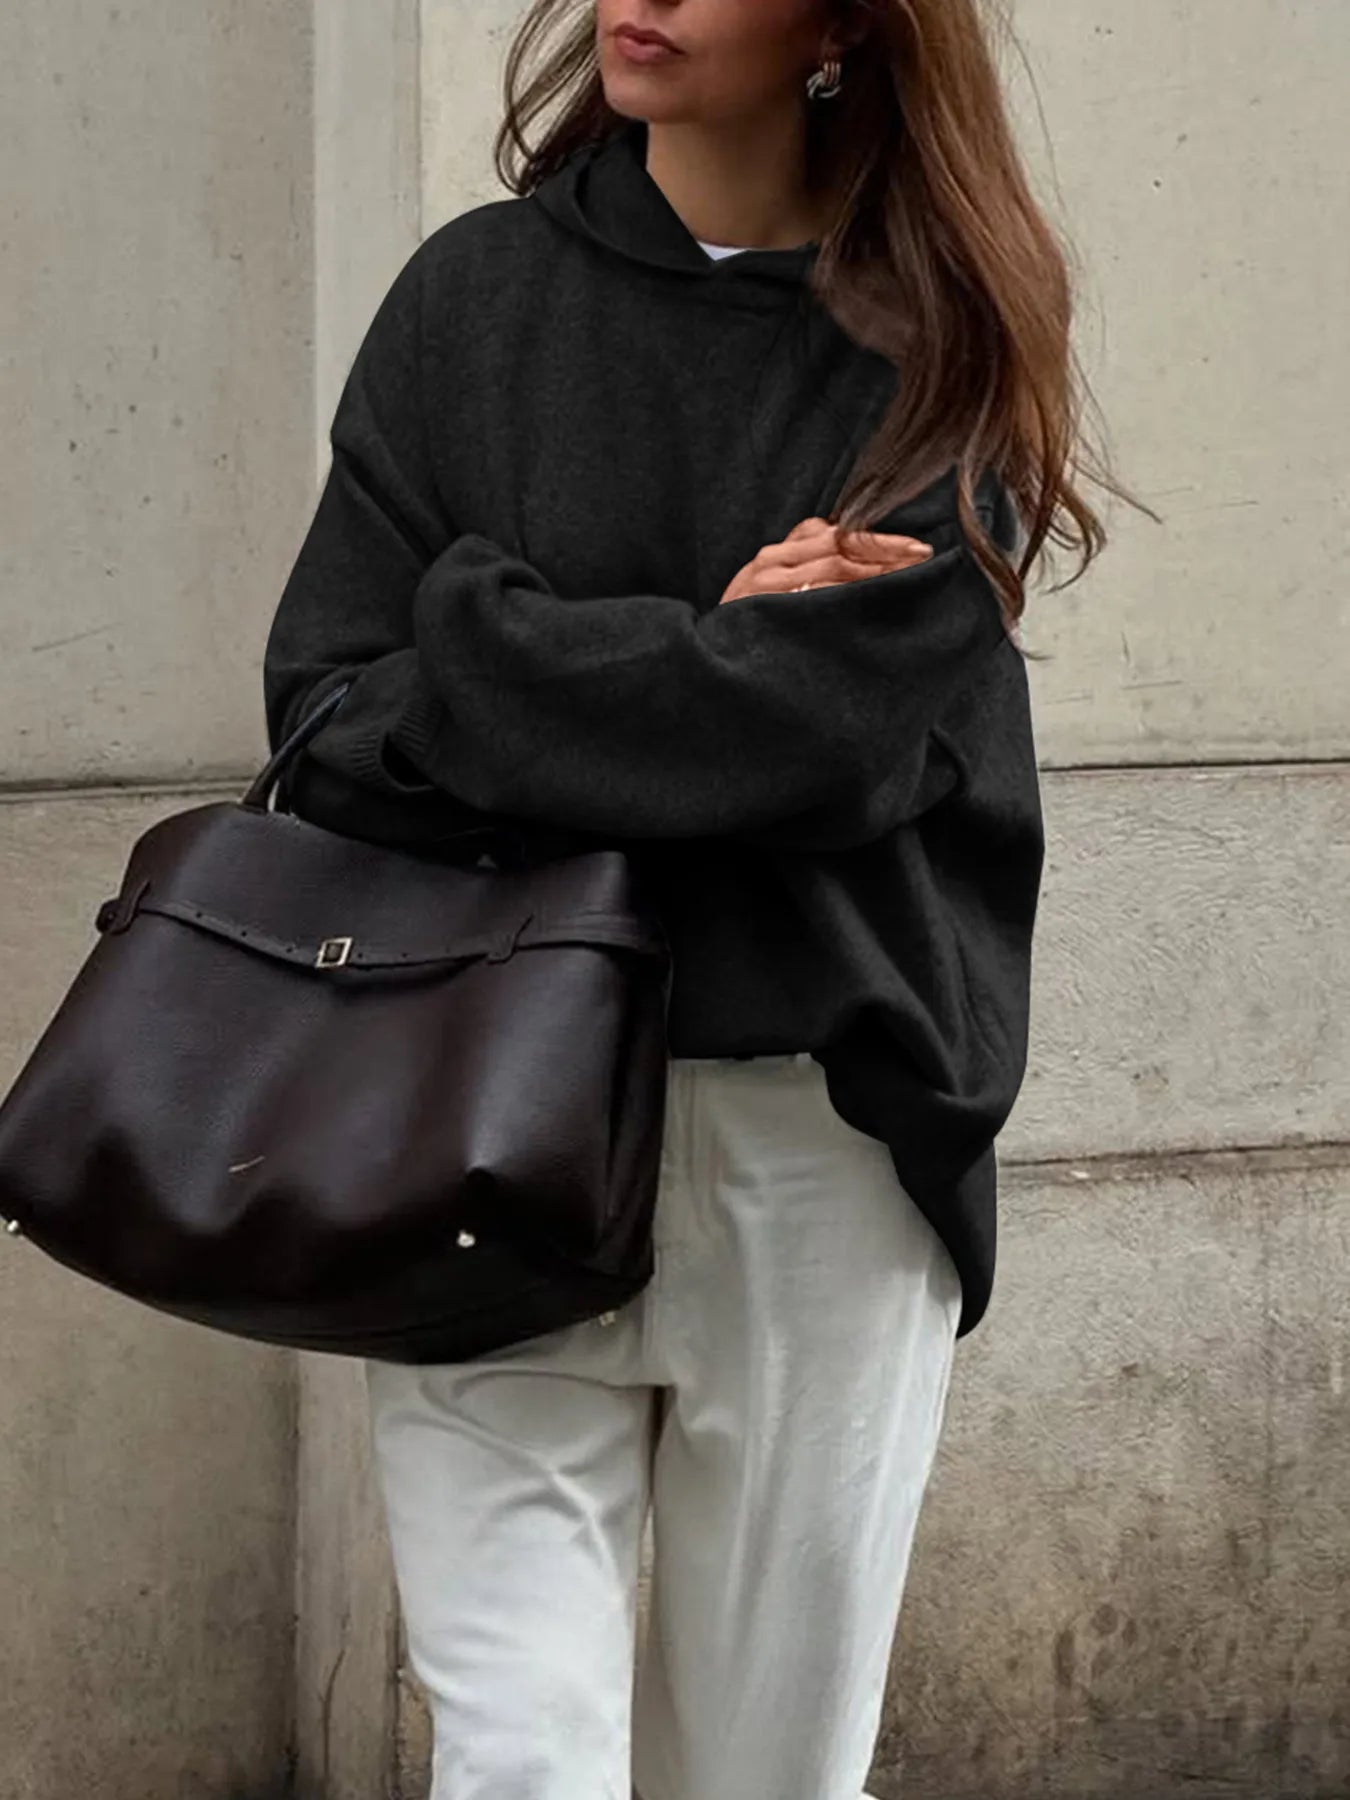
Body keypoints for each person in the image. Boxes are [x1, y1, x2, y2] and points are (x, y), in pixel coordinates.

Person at [261, 3, 1134, 1795]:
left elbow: (842, 742)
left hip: (822, 1136)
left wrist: (490, 644)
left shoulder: (946, 339)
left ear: (835, 24)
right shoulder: (472, 300)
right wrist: (712, 651)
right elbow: (331, 712)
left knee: (766, 1774)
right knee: (517, 1760)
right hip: (476, 1118)